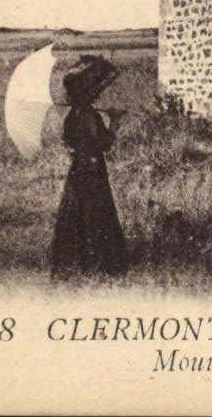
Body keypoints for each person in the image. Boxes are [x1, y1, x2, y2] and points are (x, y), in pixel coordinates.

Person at [49, 54, 127, 280]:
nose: (98, 94)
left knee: (76, 212)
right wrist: (115, 123)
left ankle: (76, 262)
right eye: (94, 91)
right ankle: (99, 264)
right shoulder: (92, 117)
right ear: (87, 92)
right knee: (96, 212)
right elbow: (105, 144)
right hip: (93, 168)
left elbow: (68, 141)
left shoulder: (71, 116)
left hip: (77, 168)